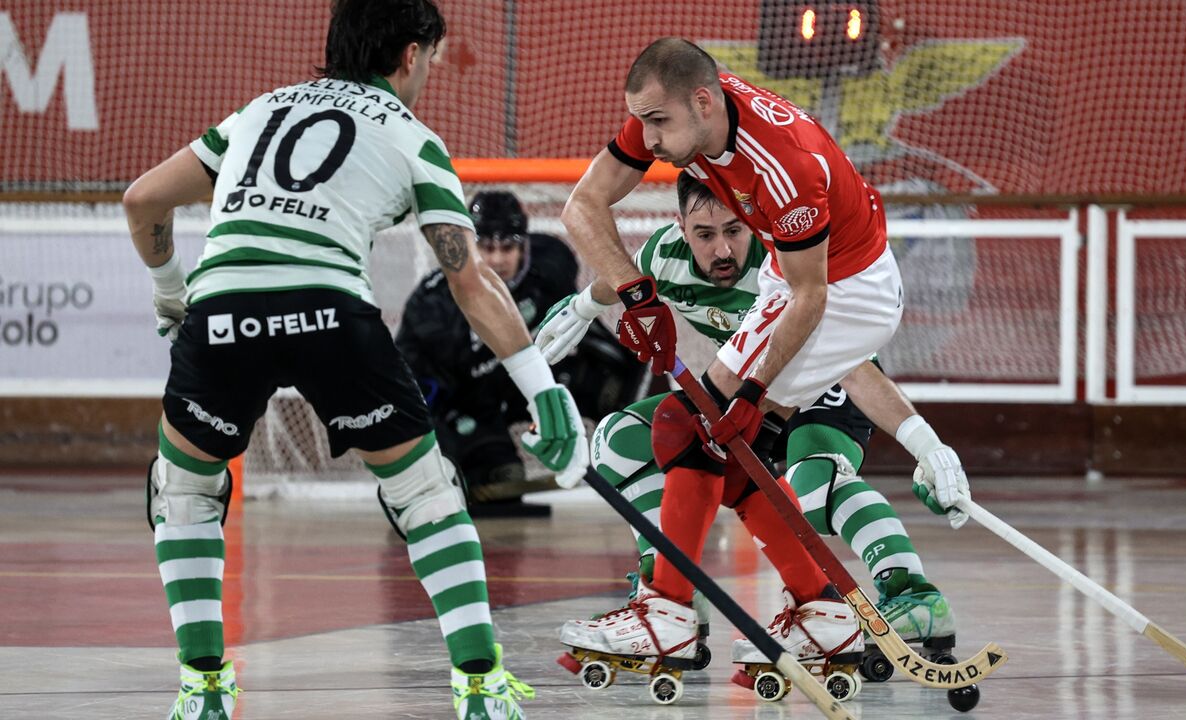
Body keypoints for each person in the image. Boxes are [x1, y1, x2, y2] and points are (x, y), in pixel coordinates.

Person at [122, 2, 586, 718]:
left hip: (222, 315)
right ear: (409, 55)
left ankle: (204, 687)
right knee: (428, 495)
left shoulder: (257, 111)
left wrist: (171, 294)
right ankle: (481, 685)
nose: (429, 71)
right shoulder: (412, 137)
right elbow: (469, 279)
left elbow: (143, 198)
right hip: (330, 313)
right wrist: (540, 385)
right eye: (430, 58)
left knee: (182, 492)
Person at [553, 38, 971, 673]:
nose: (648, 138)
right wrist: (632, 295)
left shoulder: (785, 167)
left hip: (846, 291)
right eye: (641, 119)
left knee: (689, 428)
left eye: (657, 122)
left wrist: (752, 395)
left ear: (702, 101)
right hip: (791, 280)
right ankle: (823, 615)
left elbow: (813, 294)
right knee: (723, 448)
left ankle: (667, 613)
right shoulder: (682, 115)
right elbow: (580, 205)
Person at [397, 191, 643, 506]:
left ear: (524, 244)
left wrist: (626, 374)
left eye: (507, 247)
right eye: (486, 247)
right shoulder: (432, 308)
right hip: (469, 402)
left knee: (616, 379)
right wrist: (441, 458)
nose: (498, 260)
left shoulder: (551, 263)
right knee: (504, 478)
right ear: (469, 248)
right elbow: (415, 393)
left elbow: (585, 329)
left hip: (523, 382)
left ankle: (633, 452)